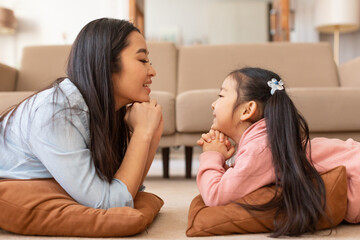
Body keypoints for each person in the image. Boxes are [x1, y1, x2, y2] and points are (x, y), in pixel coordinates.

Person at [0, 18, 162, 209]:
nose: (153, 71)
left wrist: (152, 134)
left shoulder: (104, 111)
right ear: (107, 64)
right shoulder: (58, 114)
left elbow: (129, 190)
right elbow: (112, 202)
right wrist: (143, 132)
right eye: (142, 60)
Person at [196, 67, 360, 237]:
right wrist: (223, 162)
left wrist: (212, 154)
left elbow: (215, 196)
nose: (213, 104)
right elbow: (239, 184)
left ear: (247, 110)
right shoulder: (266, 141)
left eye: (221, 96)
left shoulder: (260, 148)